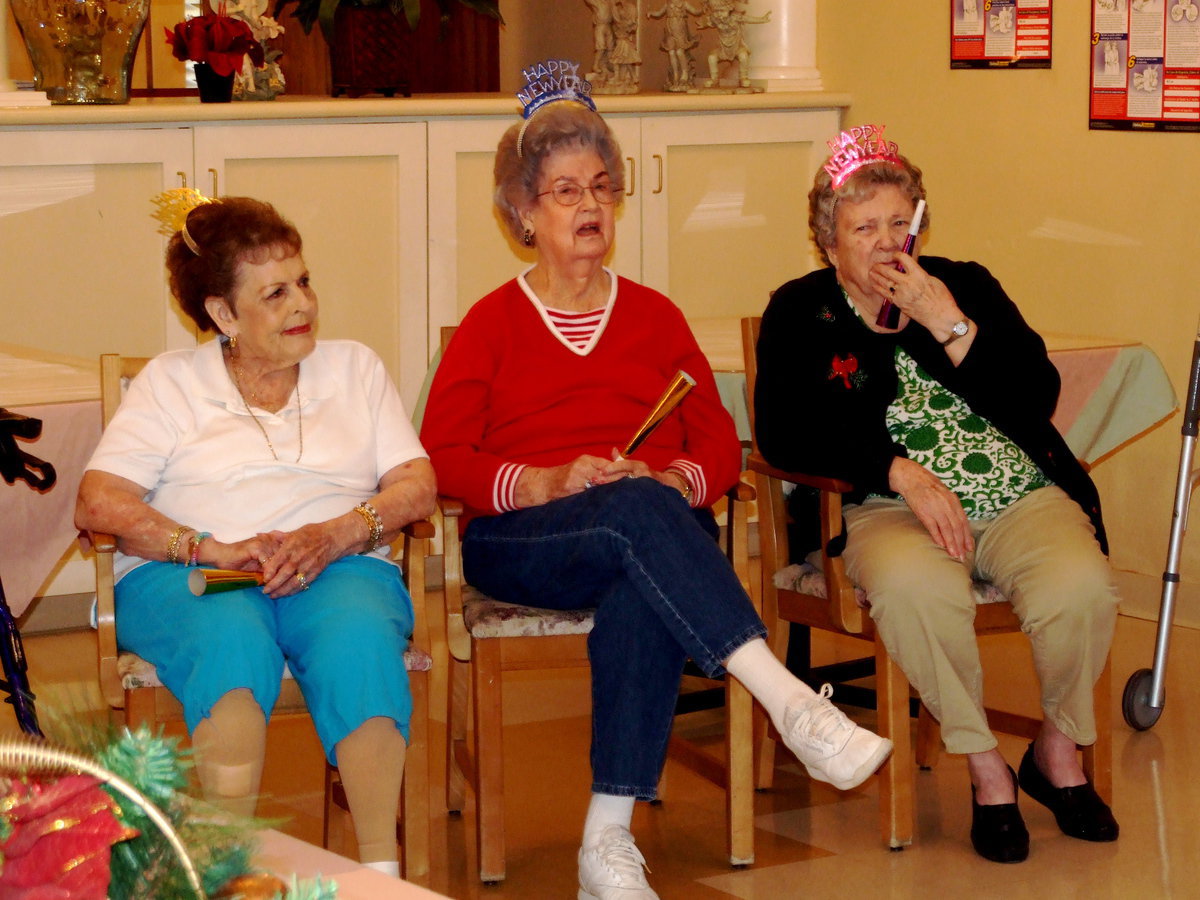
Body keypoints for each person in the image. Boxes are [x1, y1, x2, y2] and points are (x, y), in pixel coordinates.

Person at [420, 82, 891, 900]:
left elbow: (715, 444)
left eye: (603, 186)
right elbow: (439, 455)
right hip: (525, 537)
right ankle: (789, 701)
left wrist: (668, 477)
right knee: (649, 523)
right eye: (567, 191)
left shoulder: (656, 318)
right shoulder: (490, 325)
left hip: (643, 530)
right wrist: (540, 480)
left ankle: (605, 845)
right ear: (524, 213)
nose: (590, 204)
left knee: (646, 565)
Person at [753, 127, 1121, 863]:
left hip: (1015, 492)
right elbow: (785, 434)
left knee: (1082, 588)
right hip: (887, 508)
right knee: (921, 593)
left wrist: (949, 323)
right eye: (864, 228)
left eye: (900, 222)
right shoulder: (801, 312)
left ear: (919, 223)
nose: (887, 243)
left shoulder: (964, 285)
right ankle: (986, 769)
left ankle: (1055, 752)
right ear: (829, 242)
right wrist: (893, 469)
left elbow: (1037, 393)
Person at [75, 196, 436, 878]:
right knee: (229, 639)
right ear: (222, 314)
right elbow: (98, 501)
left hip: (334, 563)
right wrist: (205, 546)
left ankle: (382, 878)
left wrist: (337, 534)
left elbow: (416, 485)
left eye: (303, 282)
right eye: (275, 293)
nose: (303, 303)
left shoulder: (355, 369)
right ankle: (228, 875)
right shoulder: (171, 384)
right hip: (198, 571)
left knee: (359, 639)